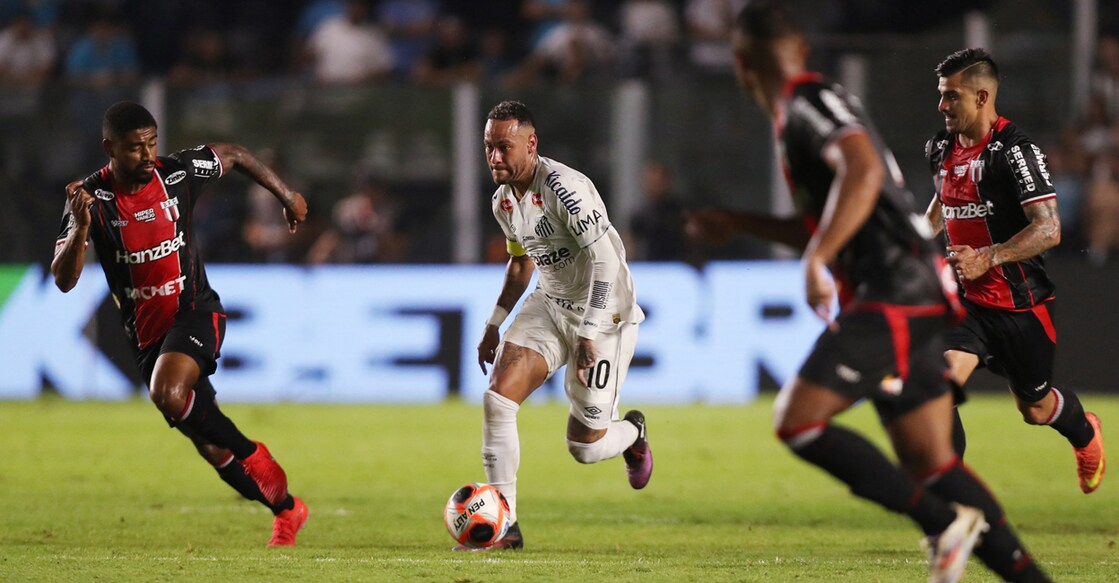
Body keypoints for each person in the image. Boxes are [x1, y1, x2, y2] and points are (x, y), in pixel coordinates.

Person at [689, 3, 1051, 581]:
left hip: (894, 291)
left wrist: (819, 259)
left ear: (740, 63)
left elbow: (862, 171)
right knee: (933, 461)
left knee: (798, 421)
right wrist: (739, 222)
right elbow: (840, 208)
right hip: (915, 287)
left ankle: (941, 522)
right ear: (801, 48)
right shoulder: (809, 105)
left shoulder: (806, 103)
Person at [51, 101, 310, 546]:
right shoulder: (90, 199)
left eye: (151, 143)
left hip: (195, 311)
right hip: (148, 338)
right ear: (109, 147)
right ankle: (287, 509)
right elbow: (64, 279)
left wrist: (285, 195)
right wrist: (79, 228)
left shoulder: (176, 173)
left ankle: (254, 454)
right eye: (134, 148)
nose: (147, 155)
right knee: (210, 447)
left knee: (167, 393)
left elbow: (234, 154)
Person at [470, 100, 651, 551]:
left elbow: (606, 261)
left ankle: (632, 434)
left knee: (585, 447)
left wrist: (588, 333)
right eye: (489, 147)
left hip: (603, 313)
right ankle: (504, 526)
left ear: (531, 144)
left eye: (504, 147)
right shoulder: (503, 201)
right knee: (497, 398)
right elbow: (519, 264)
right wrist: (495, 323)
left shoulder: (566, 189)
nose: (495, 157)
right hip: (549, 303)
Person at [924, 48, 1106, 493]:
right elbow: (940, 208)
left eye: (952, 97)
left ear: (982, 96)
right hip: (966, 303)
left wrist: (987, 257)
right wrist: (906, 238)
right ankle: (955, 505)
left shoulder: (1016, 152)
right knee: (938, 387)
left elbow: (1050, 229)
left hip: (1020, 306)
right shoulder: (940, 148)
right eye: (941, 95)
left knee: (1036, 408)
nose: (942, 106)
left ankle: (1086, 434)